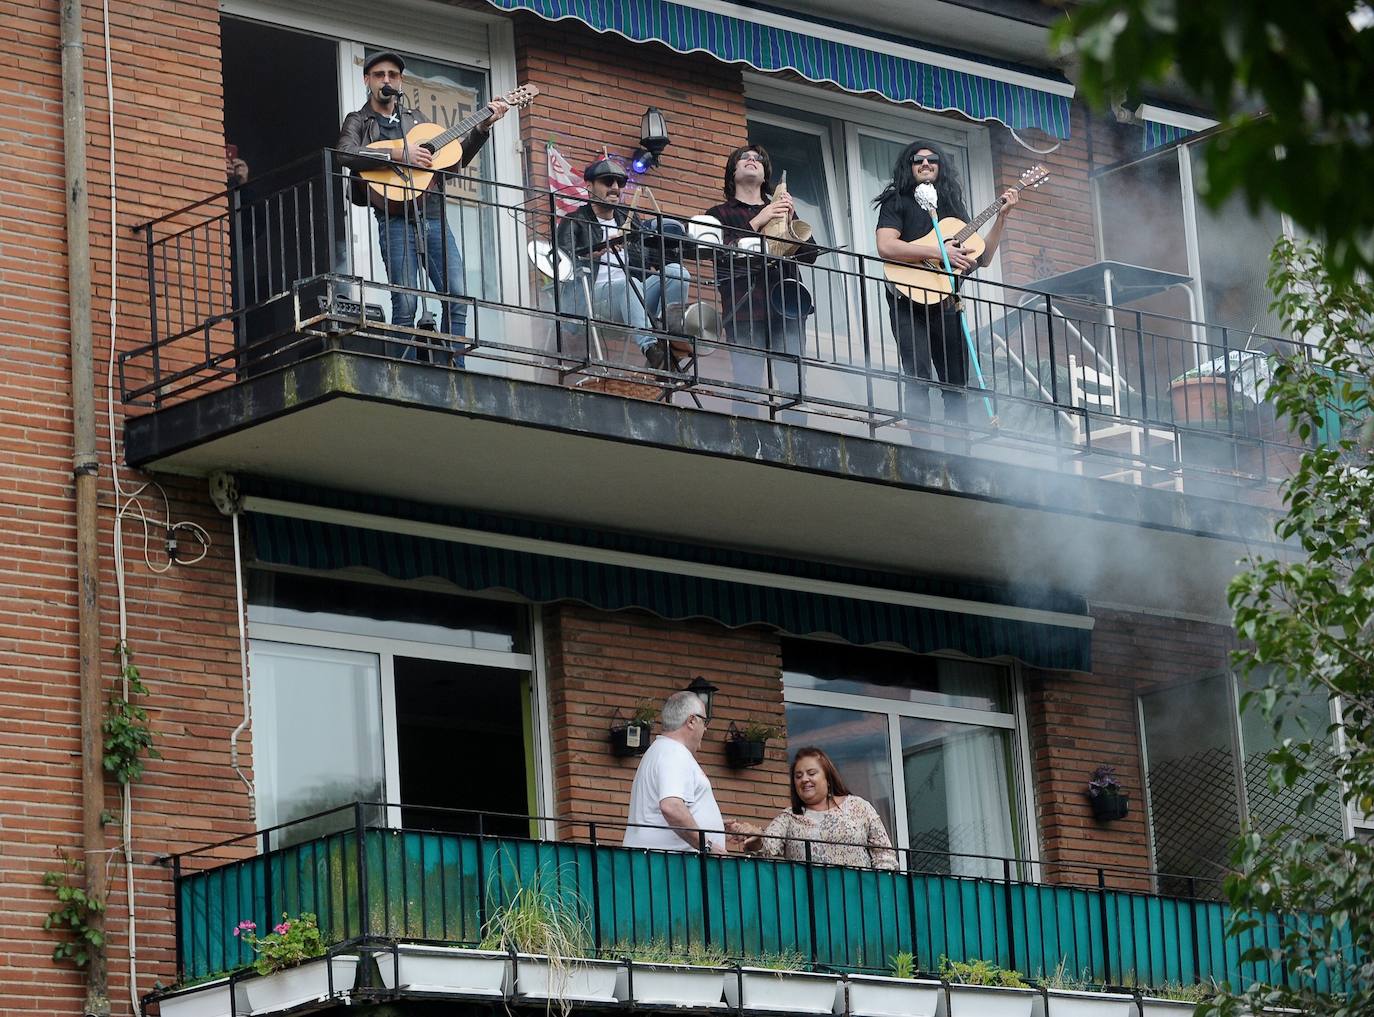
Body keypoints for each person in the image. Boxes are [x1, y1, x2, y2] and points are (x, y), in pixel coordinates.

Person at [336, 51, 510, 354]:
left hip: (433, 216)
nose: (386, 80)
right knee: (406, 300)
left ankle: (453, 365)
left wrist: (482, 128)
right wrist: (397, 155)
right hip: (394, 220)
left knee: (457, 296)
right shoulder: (360, 120)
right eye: (379, 75)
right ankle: (400, 372)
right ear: (367, 80)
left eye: (393, 75)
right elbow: (345, 154)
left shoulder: (416, 120)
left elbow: (453, 159)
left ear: (400, 81)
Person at [874, 141, 1018, 424]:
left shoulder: (953, 209)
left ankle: (956, 451)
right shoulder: (897, 202)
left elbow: (983, 258)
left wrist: (1002, 218)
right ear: (909, 166)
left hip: (946, 301)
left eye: (933, 160)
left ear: (941, 167)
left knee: (957, 383)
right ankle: (922, 448)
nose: (925, 164)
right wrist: (938, 251)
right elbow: (886, 247)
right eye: (918, 160)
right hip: (907, 299)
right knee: (918, 375)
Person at [704, 145, 819, 400]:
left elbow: (810, 255)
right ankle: (748, 439)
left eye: (758, 159)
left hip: (787, 306)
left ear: (765, 176)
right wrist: (759, 220)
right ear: (732, 173)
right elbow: (721, 252)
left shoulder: (781, 210)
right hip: (744, 308)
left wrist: (790, 220)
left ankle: (798, 439)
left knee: (794, 388)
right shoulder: (719, 214)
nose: (752, 160)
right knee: (748, 387)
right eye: (744, 158)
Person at [554, 157, 690, 372]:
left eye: (620, 183)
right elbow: (561, 262)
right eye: (608, 181)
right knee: (627, 285)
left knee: (678, 273)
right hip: (593, 298)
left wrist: (674, 242)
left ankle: (668, 343)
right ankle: (651, 349)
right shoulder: (575, 221)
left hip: (634, 293)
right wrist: (596, 253)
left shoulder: (629, 219)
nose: (615, 188)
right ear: (589, 187)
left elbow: (656, 257)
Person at [726, 747, 896, 869]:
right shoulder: (789, 817)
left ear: (828, 778)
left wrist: (878, 889)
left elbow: (885, 855)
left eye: (811, 773)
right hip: (809, 906)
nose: (804, 779)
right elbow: (766, 849)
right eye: (798, 776)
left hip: (858, 901)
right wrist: (755, 837)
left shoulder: (859, 807)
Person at [623, 691, 727, 853]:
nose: (705, 729)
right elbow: (671, 807)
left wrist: (712, 825)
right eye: (704, 721)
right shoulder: (674, 752)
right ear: (692, 721)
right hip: (672, 868)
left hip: (660, 865)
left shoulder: (661, 750)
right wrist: (708, 846)